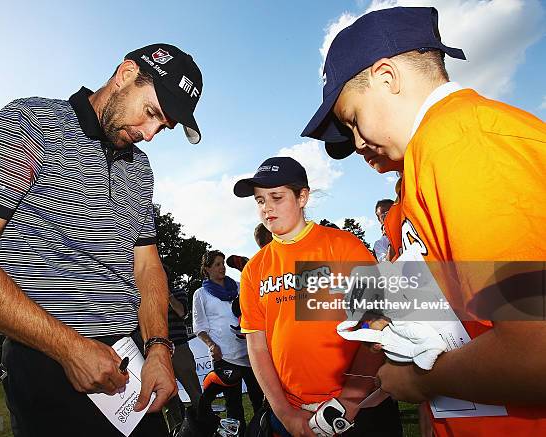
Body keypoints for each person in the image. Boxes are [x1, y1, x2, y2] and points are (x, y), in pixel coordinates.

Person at [0, 43, 203, 436]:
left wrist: (159, 347)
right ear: (126, 74)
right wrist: (69, 348)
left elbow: (146, 265)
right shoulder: (30, 122)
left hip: (129, 368)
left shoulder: (140, 168)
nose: (149, 135)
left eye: (162, 127)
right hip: (48, 362)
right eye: (151, 114)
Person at [301, 6, 546, 436]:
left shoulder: (465, 145)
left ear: (386, 78)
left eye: (354, 119)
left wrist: (419, 380)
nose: (357, 143)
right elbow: (441, 303)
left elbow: (537, 351)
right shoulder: (423, 164)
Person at [235, 157, 402, 437]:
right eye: (260, 200)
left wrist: (348, 401)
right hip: (294, 413)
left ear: (303, 197)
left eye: (277, 197)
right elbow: (257, 346)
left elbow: (376, 326)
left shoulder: (343, 247)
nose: (267, 208)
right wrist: (285, 413)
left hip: (361, 411)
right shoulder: (254, 269)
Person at [192, 250, 264, 434]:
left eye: (223, 263)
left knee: (259, 398)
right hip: (224, 355)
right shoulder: (200, 294)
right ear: (207, 269)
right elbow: (199, 326)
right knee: (233, 404)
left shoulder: (240, 287)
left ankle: (262, 432)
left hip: (249, 352)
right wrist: (211, 345)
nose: (222, 267)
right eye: (217, 264)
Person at [163, 266, 203, 434]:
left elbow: (181, 312)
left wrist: (167, 295)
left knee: (194, 391)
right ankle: (177, 430)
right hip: (160, 352)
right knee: (167, 397)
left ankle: (204, 424)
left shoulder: (178, 292)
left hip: (179, 348)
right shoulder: (147, 295)